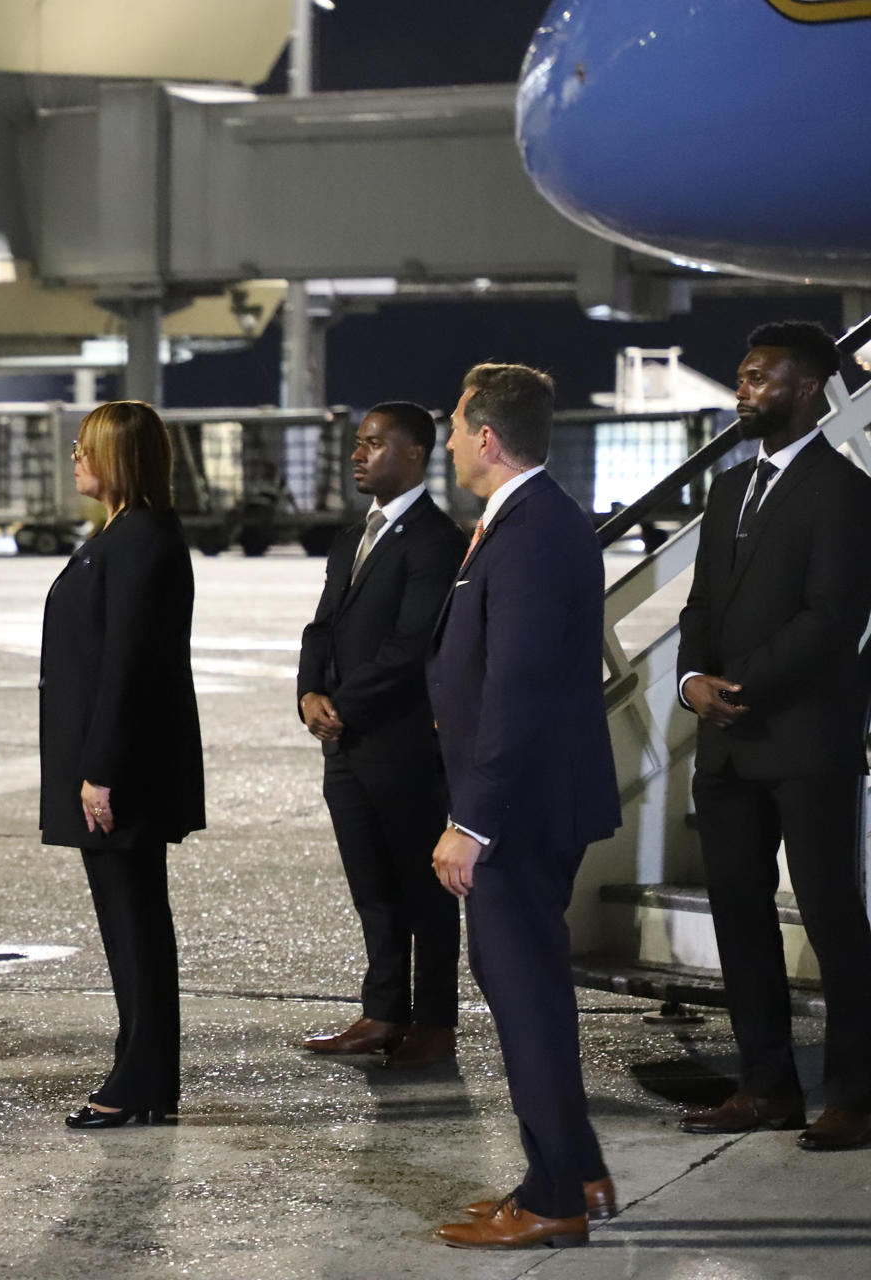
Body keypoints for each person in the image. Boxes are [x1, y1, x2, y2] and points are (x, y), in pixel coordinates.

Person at [427, 363, 621, 1249]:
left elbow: (520, 688)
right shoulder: (526, 521)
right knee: (527, 990)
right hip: (530, 801)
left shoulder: (534, 529)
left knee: (527, 998)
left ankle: (554, 1202)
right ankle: (574, 1169)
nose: (453, 442)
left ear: (488, 439)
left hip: (519, 808)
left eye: (459, 428)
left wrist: (474, 819)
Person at [676, 321, 871, 1151]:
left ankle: (858, 1098)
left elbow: (834, 620)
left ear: (805, 386)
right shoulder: (727, 490)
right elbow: (699, 609)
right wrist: (691, 683)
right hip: (724, 745)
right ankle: (767, 1087)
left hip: (807, 740)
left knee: (831, 918)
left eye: (759, 378)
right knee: (739, 916)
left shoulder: (847, 491)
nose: (743, 390)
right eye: (743, 375)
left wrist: (738, 687)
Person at [39, 401, 202, 1128]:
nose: (75, 456)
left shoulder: (138, 540)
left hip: (122, 770)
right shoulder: (123, 533)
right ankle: (142, 1073)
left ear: (123, 459)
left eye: (88, 447)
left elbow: (130, 666)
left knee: (135, 926)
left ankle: (141, 1081)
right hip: (115, 763)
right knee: (128, 924)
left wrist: (101, 768)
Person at [297, 404, 467, 1069]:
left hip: (403, 746)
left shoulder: (436, 540)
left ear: (414, 453)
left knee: (424, 892)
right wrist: (308, 694)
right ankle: (381, 1012)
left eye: (373, 444)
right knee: (371, 886)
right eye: (357, 445)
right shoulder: (351, 539)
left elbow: (411, 645)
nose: (358, 456)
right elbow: (321, 629)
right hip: (343, 744)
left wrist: (341, 701)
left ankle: (435, 1023)